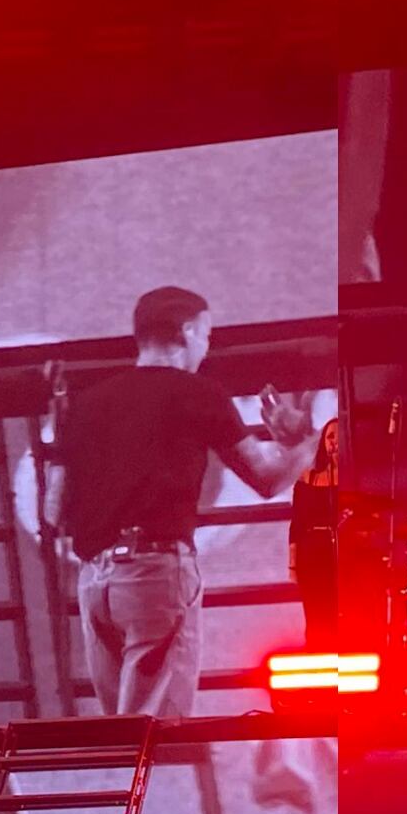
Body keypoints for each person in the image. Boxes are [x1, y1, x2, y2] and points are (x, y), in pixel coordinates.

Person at [49, 286, 320, 718]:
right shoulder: (197, 393)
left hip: (94, 583)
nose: (206, 347)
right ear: (188, 331)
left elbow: (53, 509)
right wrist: (309, 442)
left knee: (120, 736)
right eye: (206, 336)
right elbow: (267, 479)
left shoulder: (87, 405)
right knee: (157, 733)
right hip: (154, 573)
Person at [288, 419, 340, 650]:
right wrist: (293, 565)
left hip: (342, 553)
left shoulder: (356, 477)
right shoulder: (307, 478)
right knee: (316, 617)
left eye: (339, 437)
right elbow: (297, 524)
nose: (334, 443)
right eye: (330, 437)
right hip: (311, 554)